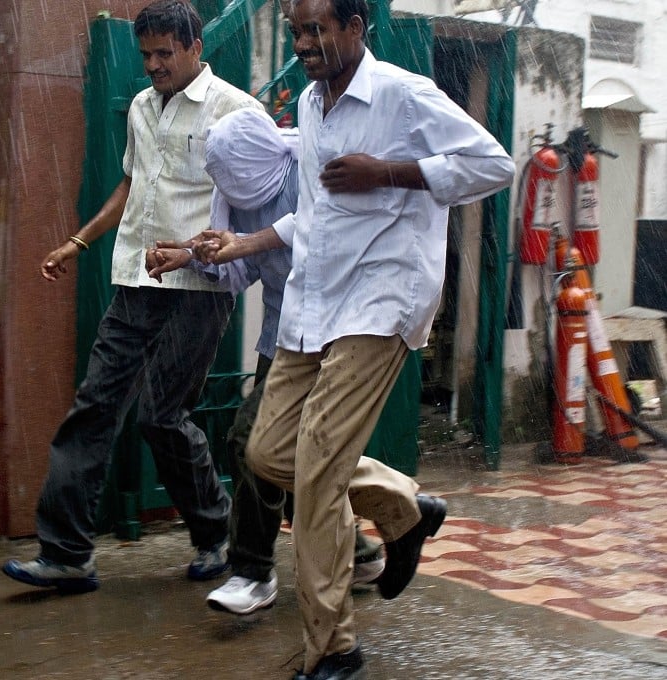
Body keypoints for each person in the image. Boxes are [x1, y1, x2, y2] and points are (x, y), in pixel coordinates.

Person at [187, 1, 516, 677]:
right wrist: (245, 242)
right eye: (297, 30)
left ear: (355, 28)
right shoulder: (309, 105)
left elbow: (494, 164)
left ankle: (333, 650)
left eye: (317, 29)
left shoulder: (403, 94)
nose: (304, 42)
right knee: (267, 450)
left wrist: (394, 172)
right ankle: (404, 509)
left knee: (316, 473)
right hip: (315, 301)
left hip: (382, 299)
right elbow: (316, 212)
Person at [1, 0, 262, 594]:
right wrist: (78, 241)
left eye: (164, 53)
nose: (152, 65)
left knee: (162, 415)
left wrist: (198, 250)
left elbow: (257, 202)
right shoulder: (143, 107)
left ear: (196, 47)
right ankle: (67, 553)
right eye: (146, 54)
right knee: (95, 406)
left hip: (198, 285)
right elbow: (131, 181)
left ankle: (213, 531)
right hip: (135, 279)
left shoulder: (236, 111)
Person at [145, 108, 388, 617]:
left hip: (335, 333)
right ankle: (361, 555)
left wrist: (236, 246)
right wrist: (199, 257)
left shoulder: (310, 175)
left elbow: (319, 239)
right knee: (288, 455)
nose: (241, 199)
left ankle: (253, 570)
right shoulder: (234, 199)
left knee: (252, 442)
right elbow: (245, 272)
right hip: (282, 334)